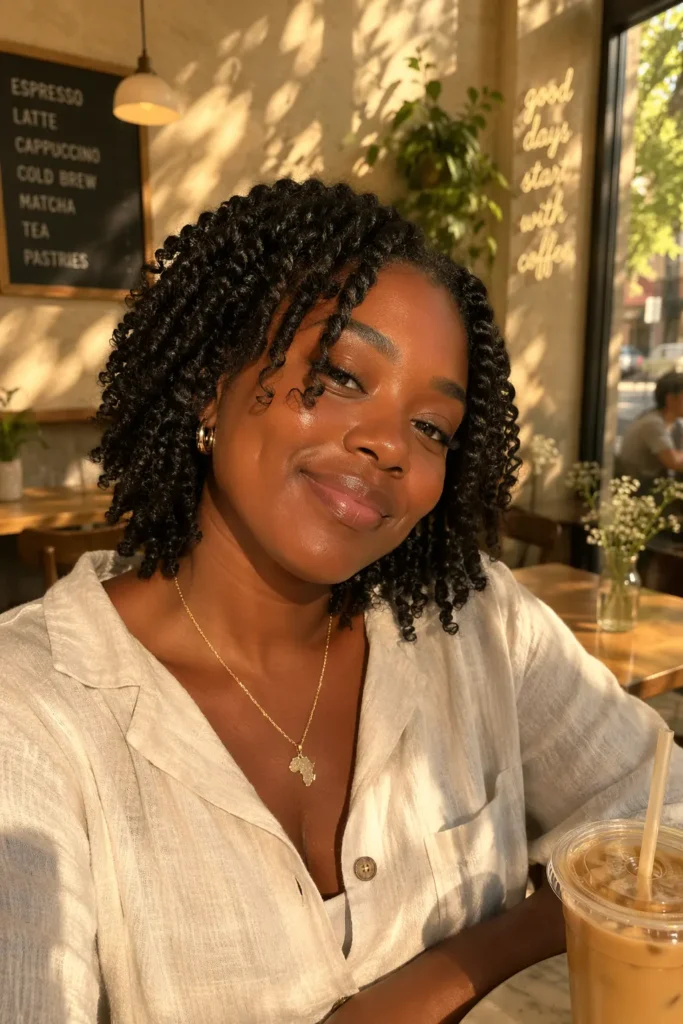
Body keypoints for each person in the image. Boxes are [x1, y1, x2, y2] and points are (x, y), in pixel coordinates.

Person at [2, 179, 683, 1024]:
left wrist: (509, 936)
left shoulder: (474, 624)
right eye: (341, 375)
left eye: (432, 427)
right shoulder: (31, 712)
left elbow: (656, 800)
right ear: (211, 383)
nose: (390, 445)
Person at [619, 370, 683, 488]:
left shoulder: (675, 424)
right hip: (642, 491)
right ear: (671, 399)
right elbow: (674, 461)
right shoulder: (652, 424)